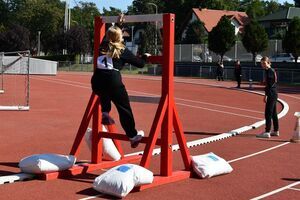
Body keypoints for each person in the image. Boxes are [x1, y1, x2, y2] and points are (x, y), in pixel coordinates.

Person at [91, 24, 149, 148]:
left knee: (103, 91)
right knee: (124, 108)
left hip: (96, 81)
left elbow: (109, 35)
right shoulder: (122, 49)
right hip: (113, 81)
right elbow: (140, 64)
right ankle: (132, 135)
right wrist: (145, 57)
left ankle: (105, 112)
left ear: (107, 36)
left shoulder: (102, 46)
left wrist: (117, 24)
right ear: (120, 37)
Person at [256, 56, 279, 138]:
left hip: (271, 93)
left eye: (264, 63)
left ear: (268, 63)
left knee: (268, 113)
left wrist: (266, 95)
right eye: (261, 63)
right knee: (273, 113)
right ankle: (276, 130)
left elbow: (269, 85)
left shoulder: (269, 71)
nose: (262, 65)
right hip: (273, 93)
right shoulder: (269, 71)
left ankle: (267, 132)